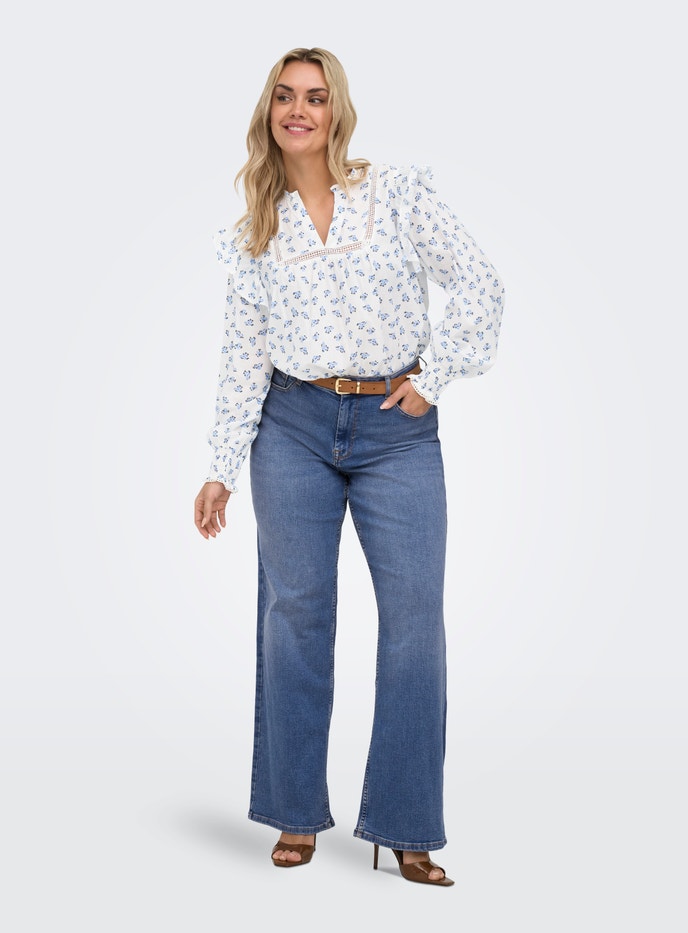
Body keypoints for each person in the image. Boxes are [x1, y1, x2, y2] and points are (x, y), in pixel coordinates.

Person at [193, 47, 504, 887]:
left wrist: (433, 378)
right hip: (291, 427)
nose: (299, 110)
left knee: (414, 623)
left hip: (396, 429)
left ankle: (406, 825)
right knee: (295, 614)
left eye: (316, 97)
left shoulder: (395, 194)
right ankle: (294, 811)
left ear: (338, 112)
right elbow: (243, 356)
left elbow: (481, 283)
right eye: (285, 96)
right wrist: (221, 465)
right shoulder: (255, 232)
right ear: (269, 113)